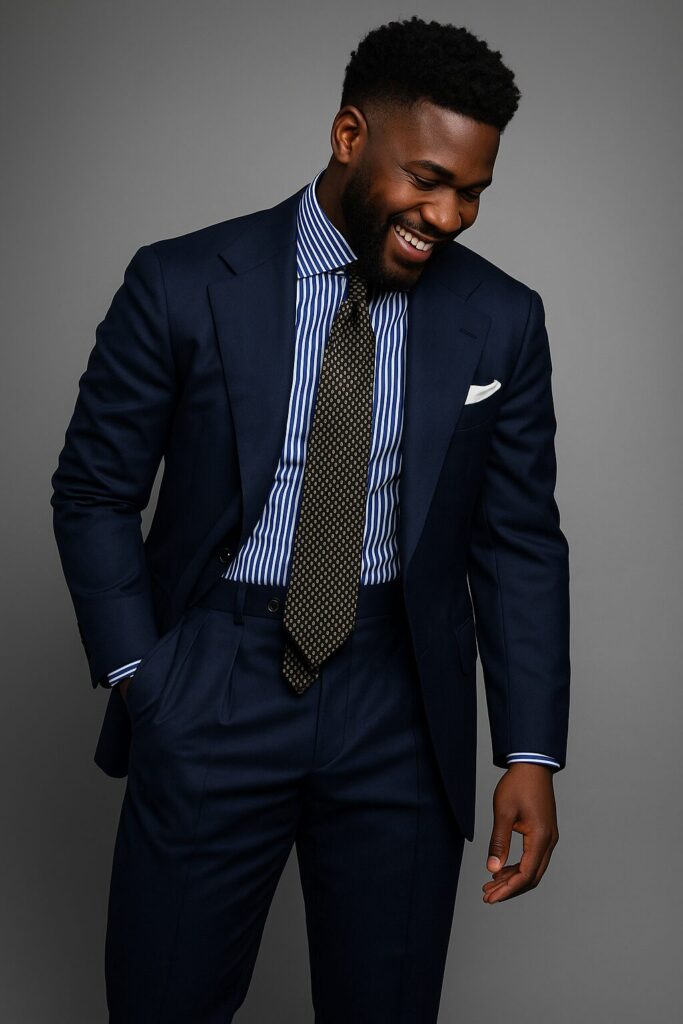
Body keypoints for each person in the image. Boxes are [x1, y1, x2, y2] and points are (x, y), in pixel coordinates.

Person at [51, 15, 570, 1023]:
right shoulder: (181, 282)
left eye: (471, 191)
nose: (448, 215)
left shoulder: (502, 318)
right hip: (214, 676)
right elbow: (93, 490)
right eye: (427, 178)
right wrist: (142, 680)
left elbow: (517, 542)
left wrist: (528, 751)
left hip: (399, 700)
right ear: (347, 136)